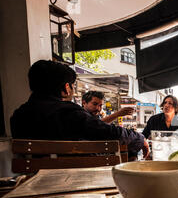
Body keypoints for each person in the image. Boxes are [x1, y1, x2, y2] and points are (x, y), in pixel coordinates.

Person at [10, 60, 149, 159]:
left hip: (33, 182)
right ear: (66, 88)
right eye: (72, 85)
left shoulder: (18, 116)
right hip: (78, 180)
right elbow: (111, 133)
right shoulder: (69, 114)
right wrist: (139, 137)